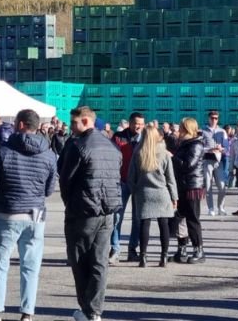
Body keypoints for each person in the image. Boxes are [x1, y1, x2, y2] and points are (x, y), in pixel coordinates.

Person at [0, 108, 58, 321]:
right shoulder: (49, 154)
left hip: (8, 210)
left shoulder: (4, 151)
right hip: (35, 212)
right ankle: (27, 312)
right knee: (31, 265)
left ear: (22, 124)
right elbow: (50, 188)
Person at [59, 106, 121, 321]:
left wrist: (70, 204)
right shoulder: (111, 146)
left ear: (85, 121)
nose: (71, 127)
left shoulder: (77, 145)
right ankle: (94, 311)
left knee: (79, 260)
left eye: (74, 123)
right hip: (108, 210)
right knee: (99, 261)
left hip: (84, 210)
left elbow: (65, 179)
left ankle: (87, 308)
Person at [127, 126, 177, 267]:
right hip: (162, 193)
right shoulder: (164, 153)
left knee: (144, 224)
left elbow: (131, 177)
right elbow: (170, 178)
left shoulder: (138, 153)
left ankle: (143, 257)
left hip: (144, 193)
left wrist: (135, 191)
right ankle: (164, 257)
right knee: (164, 224)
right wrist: (174, 197)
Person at [171, 117, 206, 263]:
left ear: (187, 128)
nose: (178, 130)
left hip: (192, 185)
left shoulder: (196, 144)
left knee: (192, 219)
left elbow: (188, 165)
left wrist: (172, 157)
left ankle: (199, 250)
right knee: (180, 218)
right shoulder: (183, 143)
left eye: (181, 127)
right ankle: (182, 249)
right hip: (181, 185)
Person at [111, 111, 144, 262]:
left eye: (141, 124)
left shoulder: (145, 138)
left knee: (137, 218)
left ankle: (133, 249)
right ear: (129, 123)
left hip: (139, 183)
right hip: (122, 181)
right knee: (117, 217)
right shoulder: (118, 137)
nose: (138, 126)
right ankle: (115, 249)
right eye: (136, 123)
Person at [201, 110, 228, 216]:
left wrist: (221, 149)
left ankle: (221, 207)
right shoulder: (203, 131)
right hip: (207, 160)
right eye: (212, 118)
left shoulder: (222, 131)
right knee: (208, 185)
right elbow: (200, 147)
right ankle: (211, 208)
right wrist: (209, 149)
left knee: (222, 186)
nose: (214, 120)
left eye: (216, 118)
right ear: (208, 118)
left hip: (219, 160)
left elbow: (227, 148)